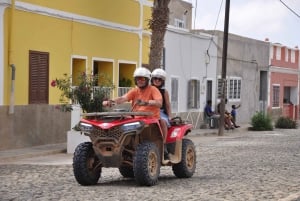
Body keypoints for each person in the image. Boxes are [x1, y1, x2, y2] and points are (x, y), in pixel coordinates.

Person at [151, 68, 172, 155]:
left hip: (160, 112)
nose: (157, 81)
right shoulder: (147, 90)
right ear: (152, 79)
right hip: (147, 112)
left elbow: (167, 104)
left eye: (160, 79)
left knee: (162, 121)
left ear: (162, 81)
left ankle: (163, 145)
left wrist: (170, 116)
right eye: (155, 78)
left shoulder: (164, 92)